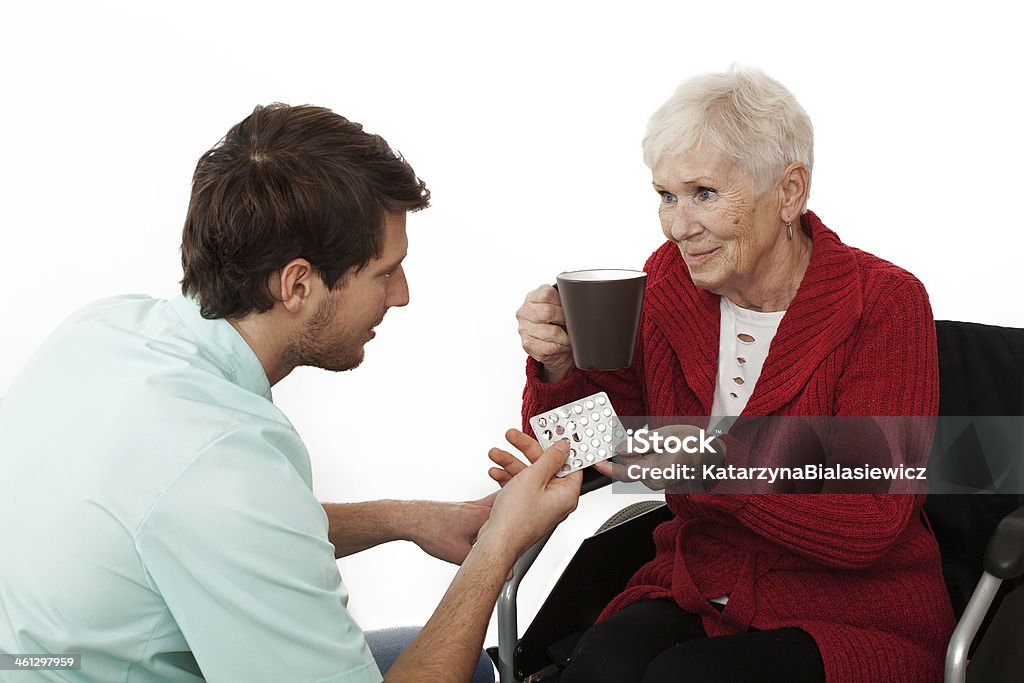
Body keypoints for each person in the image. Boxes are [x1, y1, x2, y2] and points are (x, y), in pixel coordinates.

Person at [0, 104, 581, 682]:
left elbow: (217, 525)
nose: (401, 295)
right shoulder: (222, 455)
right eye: (384, 272)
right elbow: (228, 504)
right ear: (298, 284)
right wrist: (496, 549)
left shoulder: (104, 329)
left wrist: (409, 519)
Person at [497, 66, 955, 682]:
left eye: (704, 193)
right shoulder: (666, 282)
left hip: (852, 610)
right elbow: (597, 448)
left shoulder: (884, 304)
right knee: (596, 665)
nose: (678, 225)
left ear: (790, 192)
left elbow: (869, 521)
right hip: (701, 584)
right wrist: (560, 367)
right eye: (666, 195)